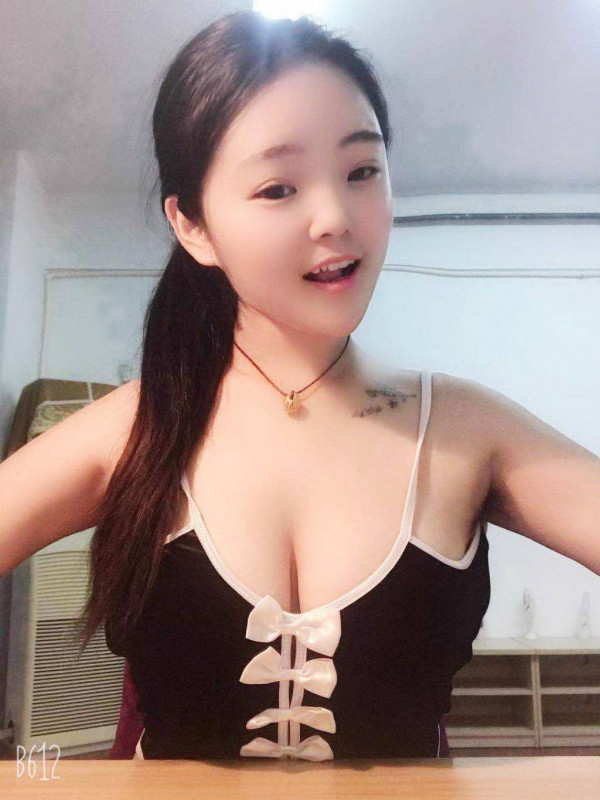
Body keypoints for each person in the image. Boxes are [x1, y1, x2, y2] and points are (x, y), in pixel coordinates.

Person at [2, 9, 597, 764]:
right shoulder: (129, 430)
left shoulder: (467, 429)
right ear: (193, 226)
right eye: (279, 187)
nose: (335, 218)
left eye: (362, 171)